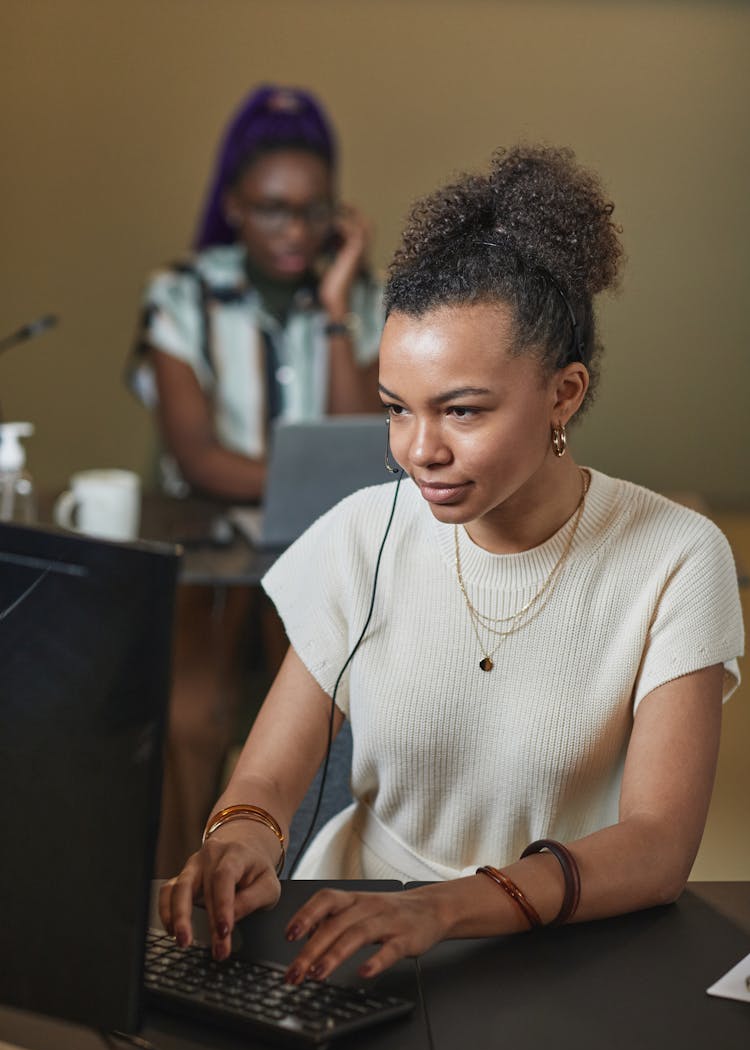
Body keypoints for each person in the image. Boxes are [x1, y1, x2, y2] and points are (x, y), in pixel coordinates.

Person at [160, 145, 743, 985]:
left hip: (555, 951)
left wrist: (439, 906)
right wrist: (240, 840)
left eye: (461, 411)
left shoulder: (675, 558)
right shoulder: (362, 533)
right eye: (398, 410)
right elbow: (266, 774)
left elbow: (656, 848)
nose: (418, 452)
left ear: (564, 394)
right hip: (345, 934)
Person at [126, 84, 383, 874]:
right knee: (191, 718)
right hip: (211, 547)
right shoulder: (180, 297)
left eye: (313, 209)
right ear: (234, 203)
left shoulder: (365, 300)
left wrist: (336, 305)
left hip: (317, 544)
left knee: (325, 721)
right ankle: (174, 898)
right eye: (273, 208)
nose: (296, 230)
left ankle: (288, 892)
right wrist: (307, 476)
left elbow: (353, 439)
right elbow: (199, 456)